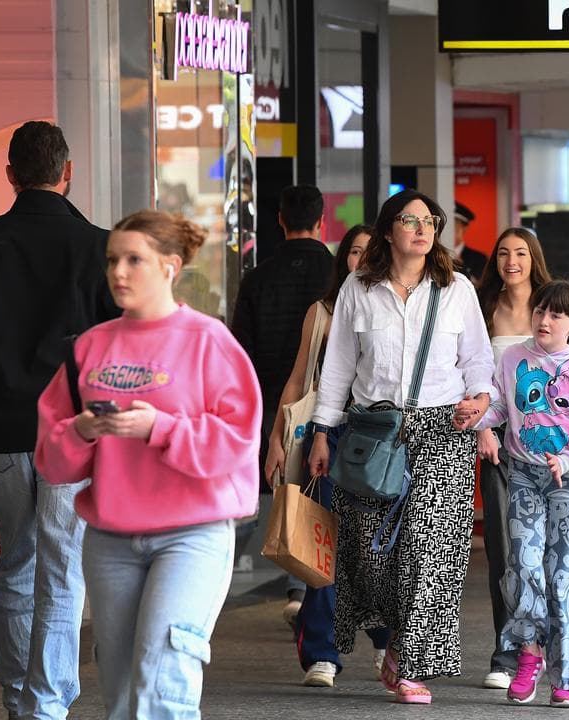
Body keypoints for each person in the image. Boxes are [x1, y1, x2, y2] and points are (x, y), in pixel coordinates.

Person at [35, 209, 261, 717]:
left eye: (134, 259)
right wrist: (82, 431)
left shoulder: (210, 342)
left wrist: (160, 428)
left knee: (162, 683)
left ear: (170, 265)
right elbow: (52, 457)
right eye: (112, 259)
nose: (118, 272)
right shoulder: (90, 347)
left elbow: (237, 441)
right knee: (120, 690)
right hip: (110, 539)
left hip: (193, 534)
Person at [0, 121, 119, 719]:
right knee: (62, 564)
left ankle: (16, 697)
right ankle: (46, 703)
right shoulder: (98, 247)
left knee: (14, 561)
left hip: (1, 429)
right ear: (66, 173)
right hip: (70, 436)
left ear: (10, 176)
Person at [306, 189, 494, 703]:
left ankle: (411, 663)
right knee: (372, 552)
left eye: (429, 220)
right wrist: (322, 431)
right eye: (409, 220)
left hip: (442, 430)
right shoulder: (358, 289)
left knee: (431, 550)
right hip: (372, 431)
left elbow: (477, 359)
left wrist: (482, 400)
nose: (421, 228)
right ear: (388, 231)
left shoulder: (457, 288)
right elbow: (339, 365)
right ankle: (392, 640)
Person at [260, 224, 392, 688]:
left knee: (377, 547)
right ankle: (323, 652)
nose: (360, 259)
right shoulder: (323, 311)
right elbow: (298, 380)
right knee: (324, 543)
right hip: (327, 437)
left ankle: (383, 640)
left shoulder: (395, 308)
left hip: (381, 440)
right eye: (354, 252)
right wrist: (276, 437)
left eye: (368, 252)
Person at [475, 280, 569, 709]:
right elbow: (503, 407)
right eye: (540, 311)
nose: (544, 319)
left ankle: (566, 677)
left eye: (556, 314)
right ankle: (529, 653)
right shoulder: (515, 356)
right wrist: (480, 418)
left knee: (565, 576)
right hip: (522, 475)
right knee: (522, 564)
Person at [231, 184, 333, 615]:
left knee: (281, 489)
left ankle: (295, 584)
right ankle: (307, 585)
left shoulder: (257, 278)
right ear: (322, 221)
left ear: (279, 220)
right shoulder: (337, 276)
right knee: (318, 490)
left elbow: (241, 351)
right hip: (328, 398)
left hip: (272, 397)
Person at [476, 226, 553, 690]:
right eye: (503, 253)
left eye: (521, 252)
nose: (511, 261)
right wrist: (484, 426)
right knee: (505, 549)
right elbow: (471, 372)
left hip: (550, 440)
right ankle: (507, 652)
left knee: (547, 552)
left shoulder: (552, 306)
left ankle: (545, 648)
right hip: (499, 440)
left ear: (533, 258)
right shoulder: (483, 307)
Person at [453, 202, 488, 284]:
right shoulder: (434, 254)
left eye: (454, 224)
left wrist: (461, 266)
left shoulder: (479, 259)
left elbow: (480, 287)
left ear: (464, 228)